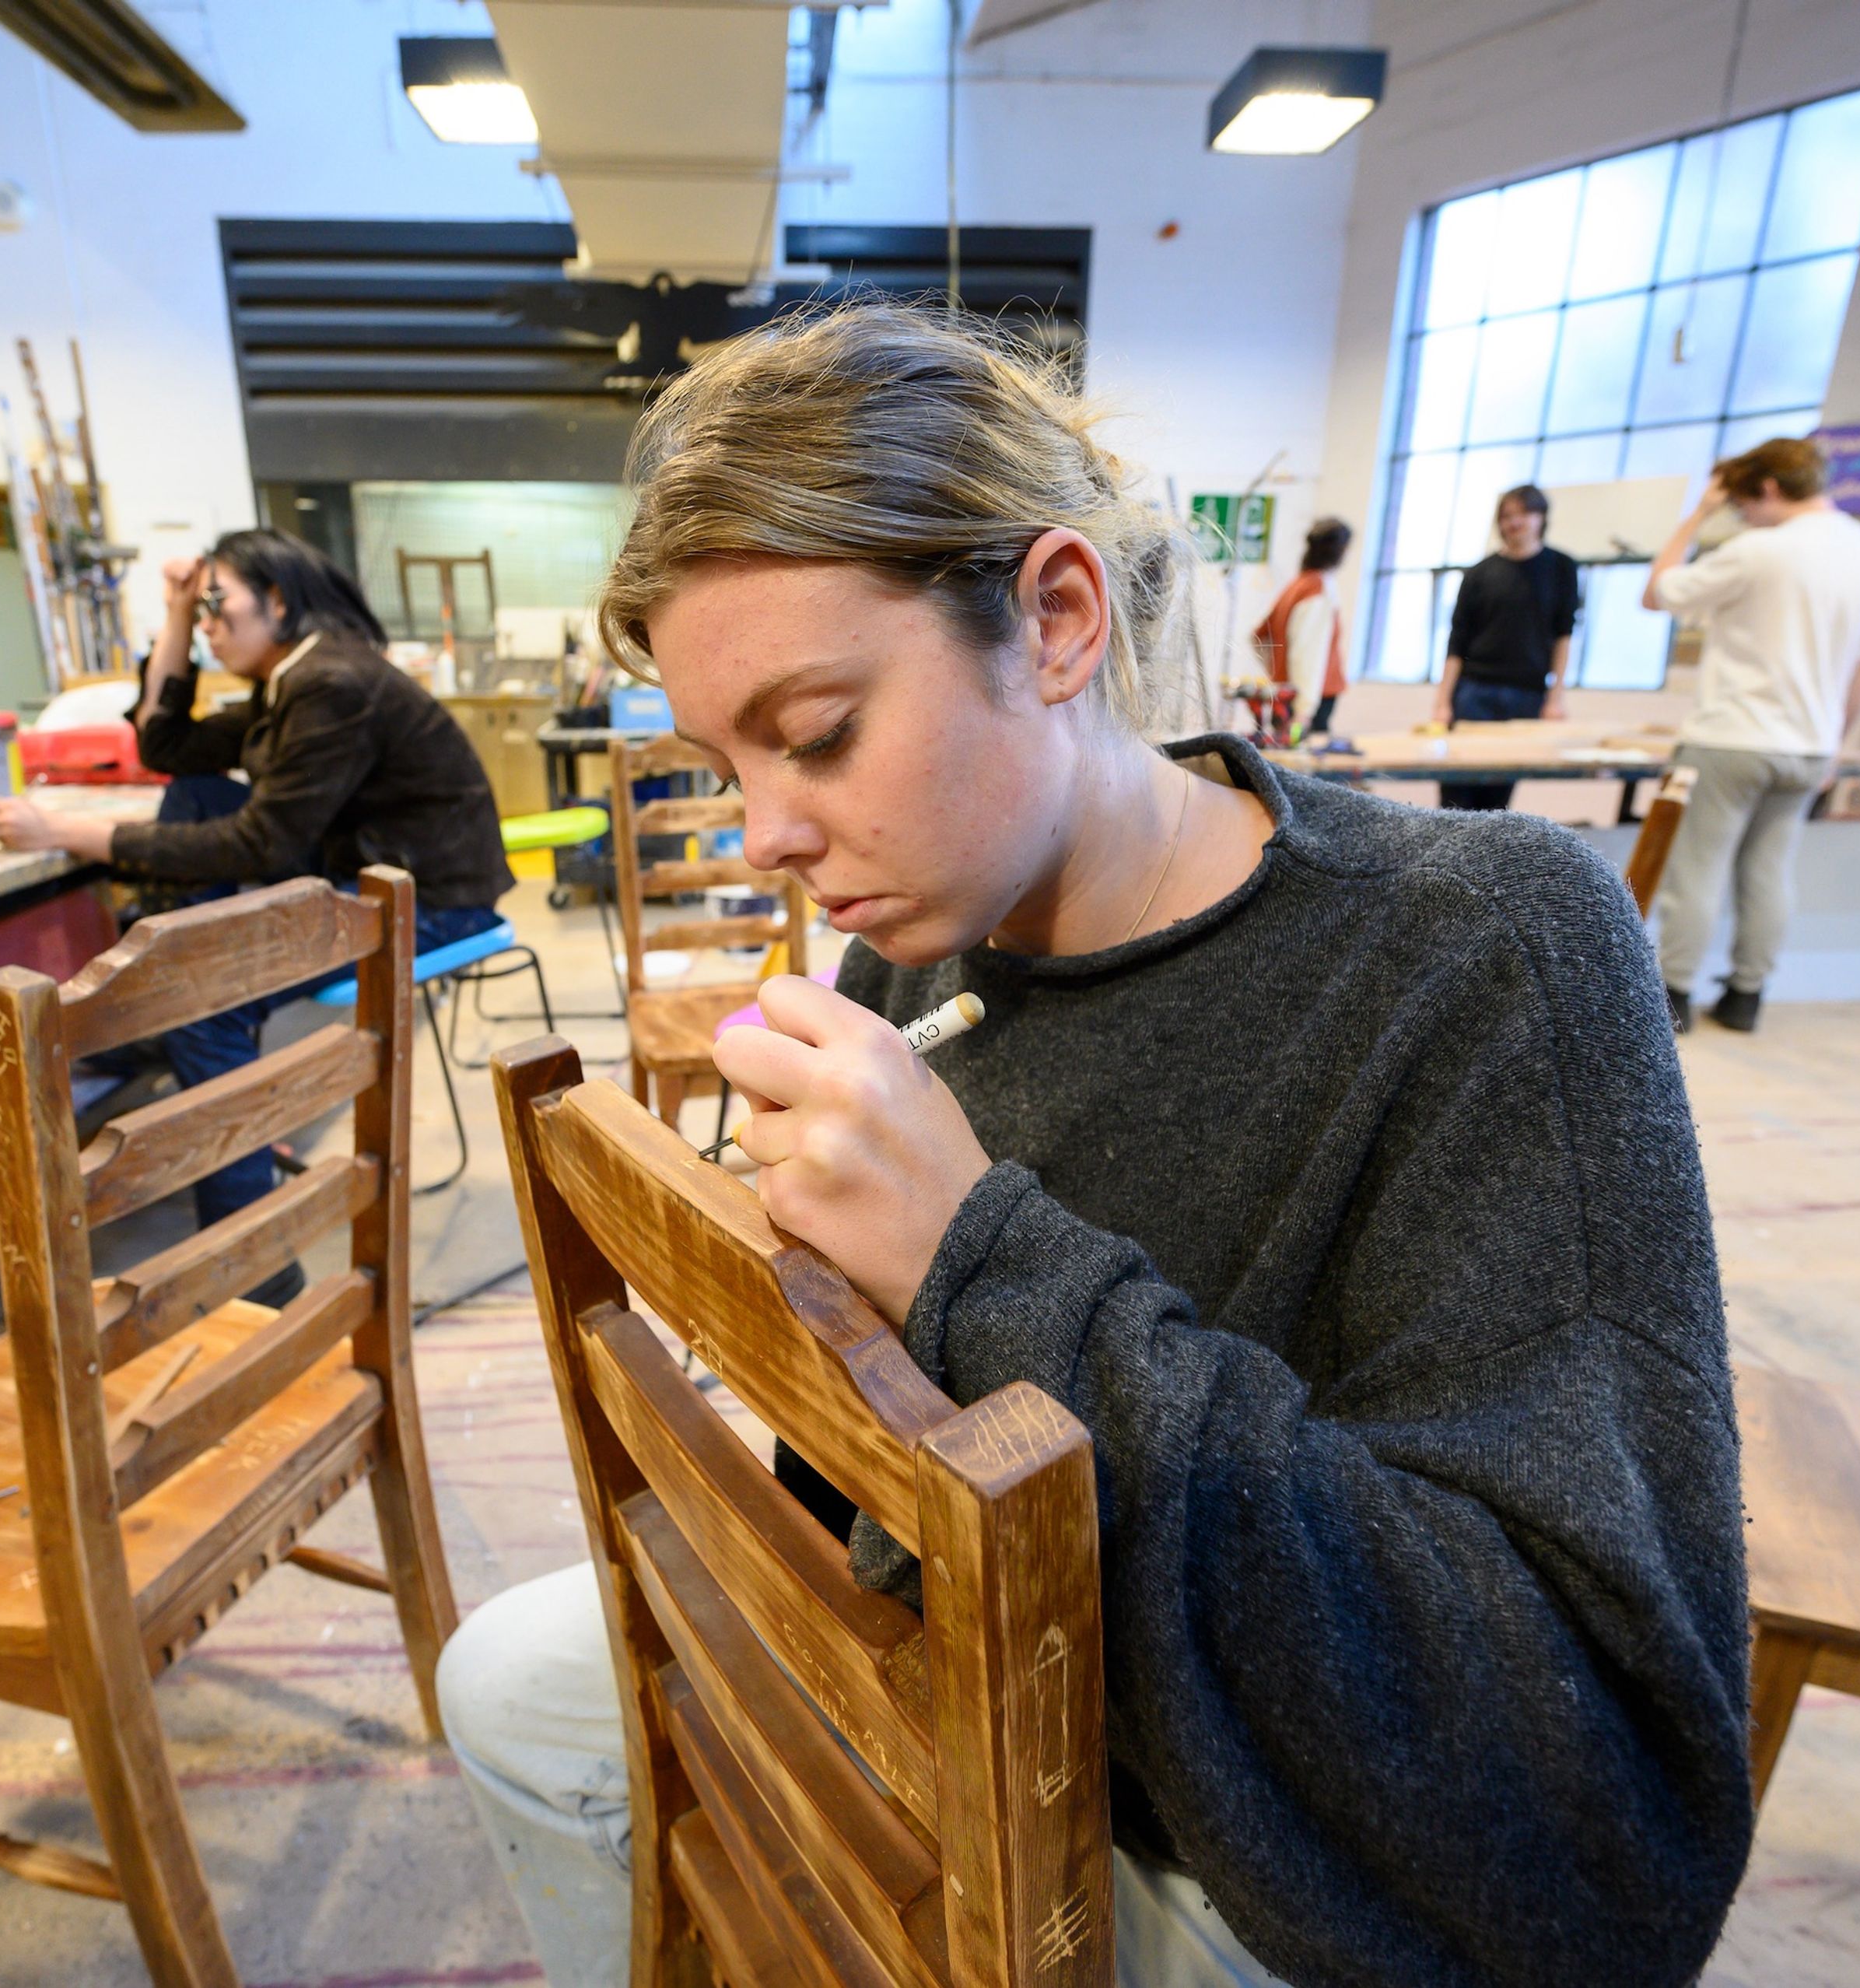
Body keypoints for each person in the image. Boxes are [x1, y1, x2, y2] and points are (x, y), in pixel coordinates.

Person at [435, 304, 1752, 1988]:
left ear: (1057, 617)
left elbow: (1595, 1834)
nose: (769, 832)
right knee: (513, 1684)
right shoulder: (918, 934)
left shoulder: (1479, 947)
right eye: (725, 758)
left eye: (819, 728)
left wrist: (971, 1255)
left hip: (1250, 1823)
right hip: (954, 1659)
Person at [0, 529, 513, 1245]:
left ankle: (249, 1258)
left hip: (435, 904)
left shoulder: (330, 683)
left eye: (213, 604)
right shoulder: (290, 681)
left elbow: (263, 843)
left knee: (209, 1002)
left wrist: (65, 833)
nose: (206, 623)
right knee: (198, 792)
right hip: (368, 878)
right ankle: (164, 997)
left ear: (277, 600)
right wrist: (172, 615)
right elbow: (162, 744)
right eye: (197, 609)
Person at [1643, 437, 1860, 1035]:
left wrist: (1697, 515)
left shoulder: (1760, 549)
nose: (1742, 515)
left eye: (1741, 503)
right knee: (1769, 869)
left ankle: (1674, 997)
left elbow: (1657, 592)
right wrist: (1834, 742)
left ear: (1766, 489)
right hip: (1809, 744)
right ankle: (1746, 996)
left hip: (1732, 738)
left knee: (1698, 869)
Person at [1430, 485, 1579, 809]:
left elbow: (1564, 635)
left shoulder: (1562, 568)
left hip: (1527, 694)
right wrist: (1443, 701)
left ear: (1540, 518)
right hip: (1475, 691)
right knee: (1457, 793)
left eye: (1523, 514)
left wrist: (1556, 697)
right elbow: (1457, 641)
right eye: (1507, 516)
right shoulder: (1479, 574)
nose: (1515, 523)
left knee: (1498, 798)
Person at [1249, 516, 1354, 735]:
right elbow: (1309, 653)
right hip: (1307, 703)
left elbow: (1260, 637)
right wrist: (1304, 710)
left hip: (1287, 695)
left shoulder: (1297, 586)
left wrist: (1278, 673)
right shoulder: (1316, 590)